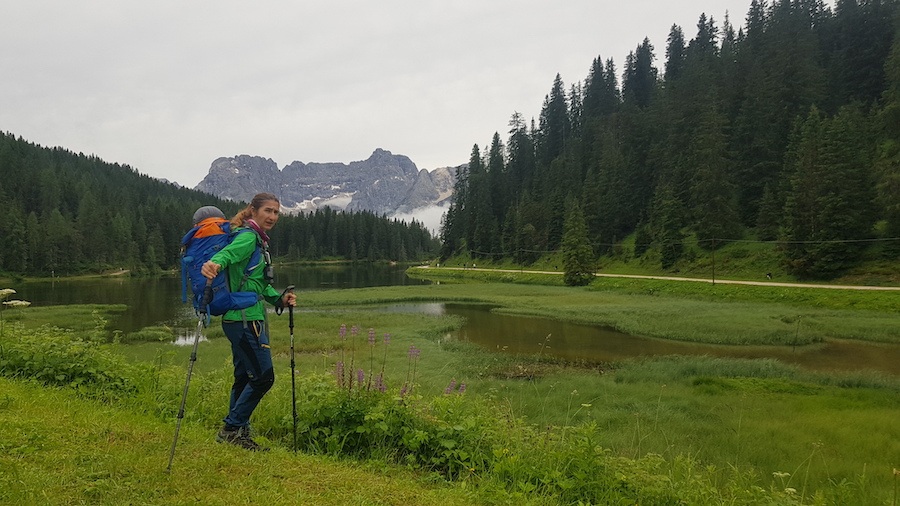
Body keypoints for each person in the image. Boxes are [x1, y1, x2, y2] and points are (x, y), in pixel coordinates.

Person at [200, 192, 296, 451]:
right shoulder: (247, 237)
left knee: (244, 377)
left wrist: (279, 300)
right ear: (253, 211)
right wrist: (213, 264)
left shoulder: (259, 242)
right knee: (264, 378)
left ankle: (239, 431)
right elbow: (227, 255)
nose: (272, 216)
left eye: (276, 212)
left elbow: (257, 285)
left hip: (244, 318)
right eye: (267, 211)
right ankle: (231, 429)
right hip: (244, 320)